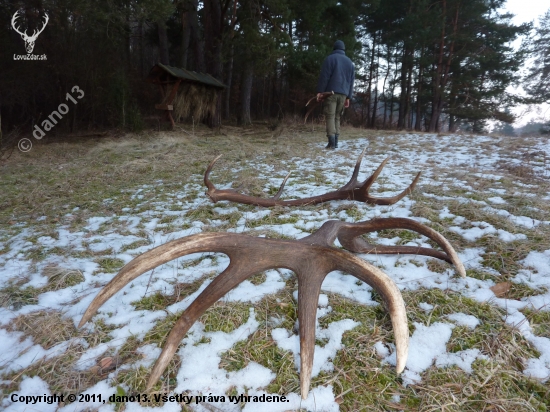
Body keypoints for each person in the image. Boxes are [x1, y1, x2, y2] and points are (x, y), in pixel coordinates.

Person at [316, 40, 355, 149]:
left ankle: (331, 143)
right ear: (343, 49)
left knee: (330, 116)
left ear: (334, 48)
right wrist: (348, 97)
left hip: (331, 93)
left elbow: (324, 77)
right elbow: (351, 82)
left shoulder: (330, 59)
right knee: (337, 117)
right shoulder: (350, 63)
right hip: (343, 94)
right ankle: (336, 142)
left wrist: (320, 92)